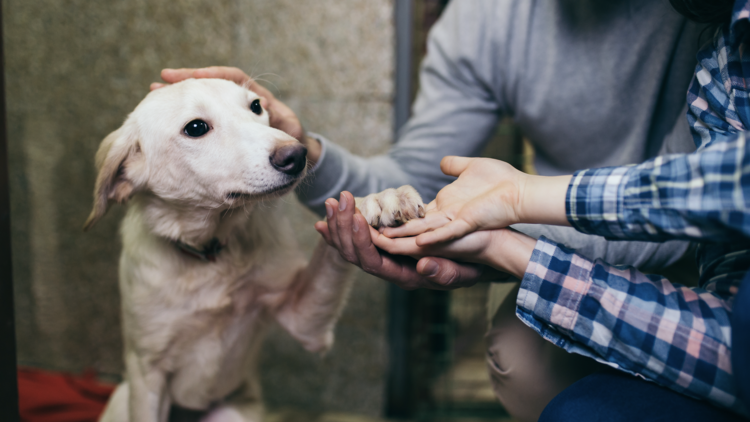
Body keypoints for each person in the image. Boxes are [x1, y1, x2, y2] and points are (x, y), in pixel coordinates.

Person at [155, 1, 717, 420]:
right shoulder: (483, 20)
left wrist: (505, 237)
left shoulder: (708, 16)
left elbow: (700, 201)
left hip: (705, 241)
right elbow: (411, 176)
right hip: (561, 228)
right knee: (521, 359)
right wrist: (306, 152)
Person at [359, 0, 750, 418]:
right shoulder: (721, 52)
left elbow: (724, 185)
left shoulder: (695, 27)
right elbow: (735, 343)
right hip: (696, 277)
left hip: (670, 247)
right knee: (568, 405)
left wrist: (522, 199)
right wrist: (499, 247)